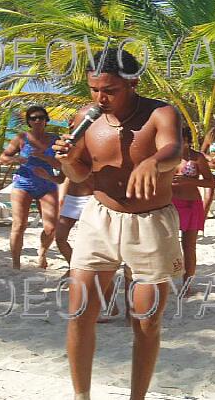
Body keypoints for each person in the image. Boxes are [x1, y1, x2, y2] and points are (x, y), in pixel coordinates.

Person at [53, 49, 183, 400]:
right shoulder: (85, 118)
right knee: (79, 311)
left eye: (109, 89)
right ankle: (81, 396)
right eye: (94, 89)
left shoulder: (160, 113)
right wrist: (67, 161)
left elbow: (174, 149)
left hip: (150, 224)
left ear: (132, 82)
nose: (100, 98)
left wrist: (153, 162)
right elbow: (81, 173)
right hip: (100, 219)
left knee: (145, 320)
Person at [0, 105, 63, 269]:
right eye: (33, 118)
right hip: (23, 182)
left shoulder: (55, 138)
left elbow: (62, 164)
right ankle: (15, 264)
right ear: (29, 121)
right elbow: (2, 158)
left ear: (46, 120)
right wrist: (15, 159)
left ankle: (42, 253)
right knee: (19, 225)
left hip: (47, 183)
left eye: (41, 117)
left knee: (51, 227)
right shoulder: (21, 138)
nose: (38, 120)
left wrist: (45, 158)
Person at [173, 127, 215, 285]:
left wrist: (189, 180)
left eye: (180, 139)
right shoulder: (165, 156)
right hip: (168, 205)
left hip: (191, 203)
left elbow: (210, 182)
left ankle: (187, 284)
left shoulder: (197, 158)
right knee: (166, 245)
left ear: (187, 139)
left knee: (189, 247)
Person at [55, 177, 93, 266]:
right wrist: (47, 176)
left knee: (88, 241)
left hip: (90, 198)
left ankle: (82, 268)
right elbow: (63, 176)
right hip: (70, 199)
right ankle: (73, 266)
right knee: (60, 238)